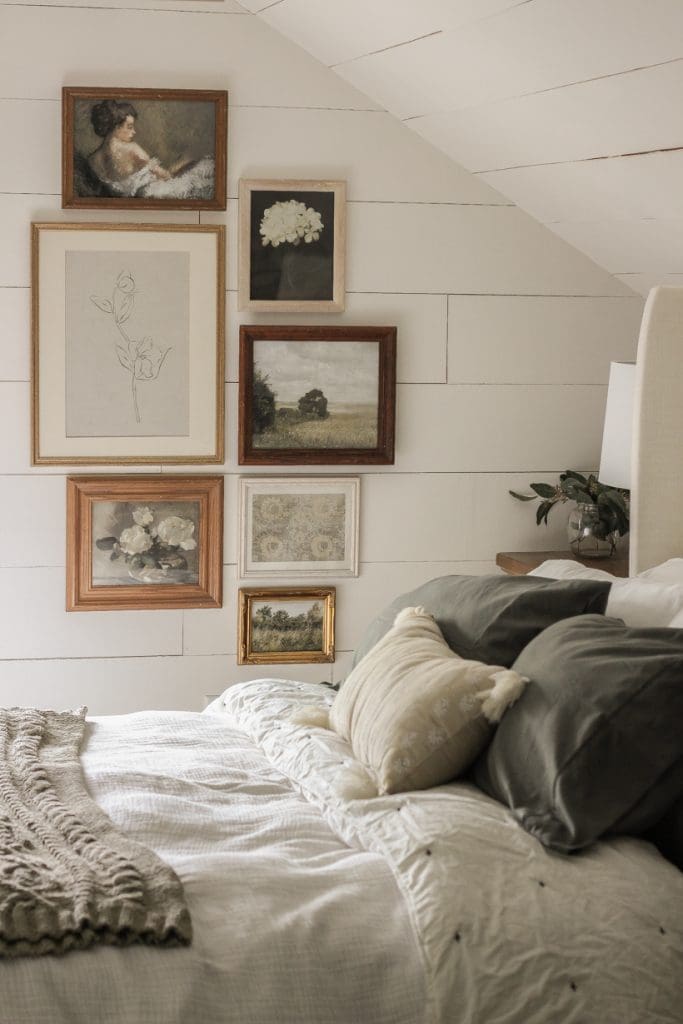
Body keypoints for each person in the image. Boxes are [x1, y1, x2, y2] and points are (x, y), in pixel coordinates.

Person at [83, 99, 215, 200]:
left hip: (141, 195)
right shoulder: (132, 149)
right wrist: (184, 160)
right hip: (158, 191)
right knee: (206, 169)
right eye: (129, 127)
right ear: (116, 127)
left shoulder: (91, 160)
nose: (134, 132)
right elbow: (167, 176)